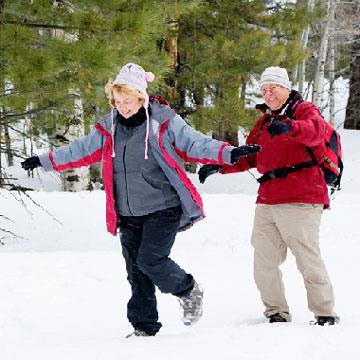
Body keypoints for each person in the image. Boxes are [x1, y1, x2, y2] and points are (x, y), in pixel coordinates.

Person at [21, 63, 261, 337]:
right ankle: (144, 327)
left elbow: (194, 143)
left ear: (141, 97)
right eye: (118, 101)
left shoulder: (162, 122)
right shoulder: (109, 128)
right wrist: (44, 160)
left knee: (151, 260)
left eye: (129, 101)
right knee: (136, 271)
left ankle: (188, 289)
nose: (124, 107)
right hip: (128, 212)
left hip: (163, 207)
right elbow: (80, 150)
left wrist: (229, 152)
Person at [198, 66, 339, 326]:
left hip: (301, 197)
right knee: (263, 261)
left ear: (286, 88)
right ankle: (276, 312)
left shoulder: (304, 111)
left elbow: (316, 132)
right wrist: (220, 165)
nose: (268, 93)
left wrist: (291, 128)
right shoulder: (264, 122)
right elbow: (250, 155)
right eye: (264, 89)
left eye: (273, 87)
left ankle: (325, 313)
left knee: (308, 259)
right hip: (267, 200)